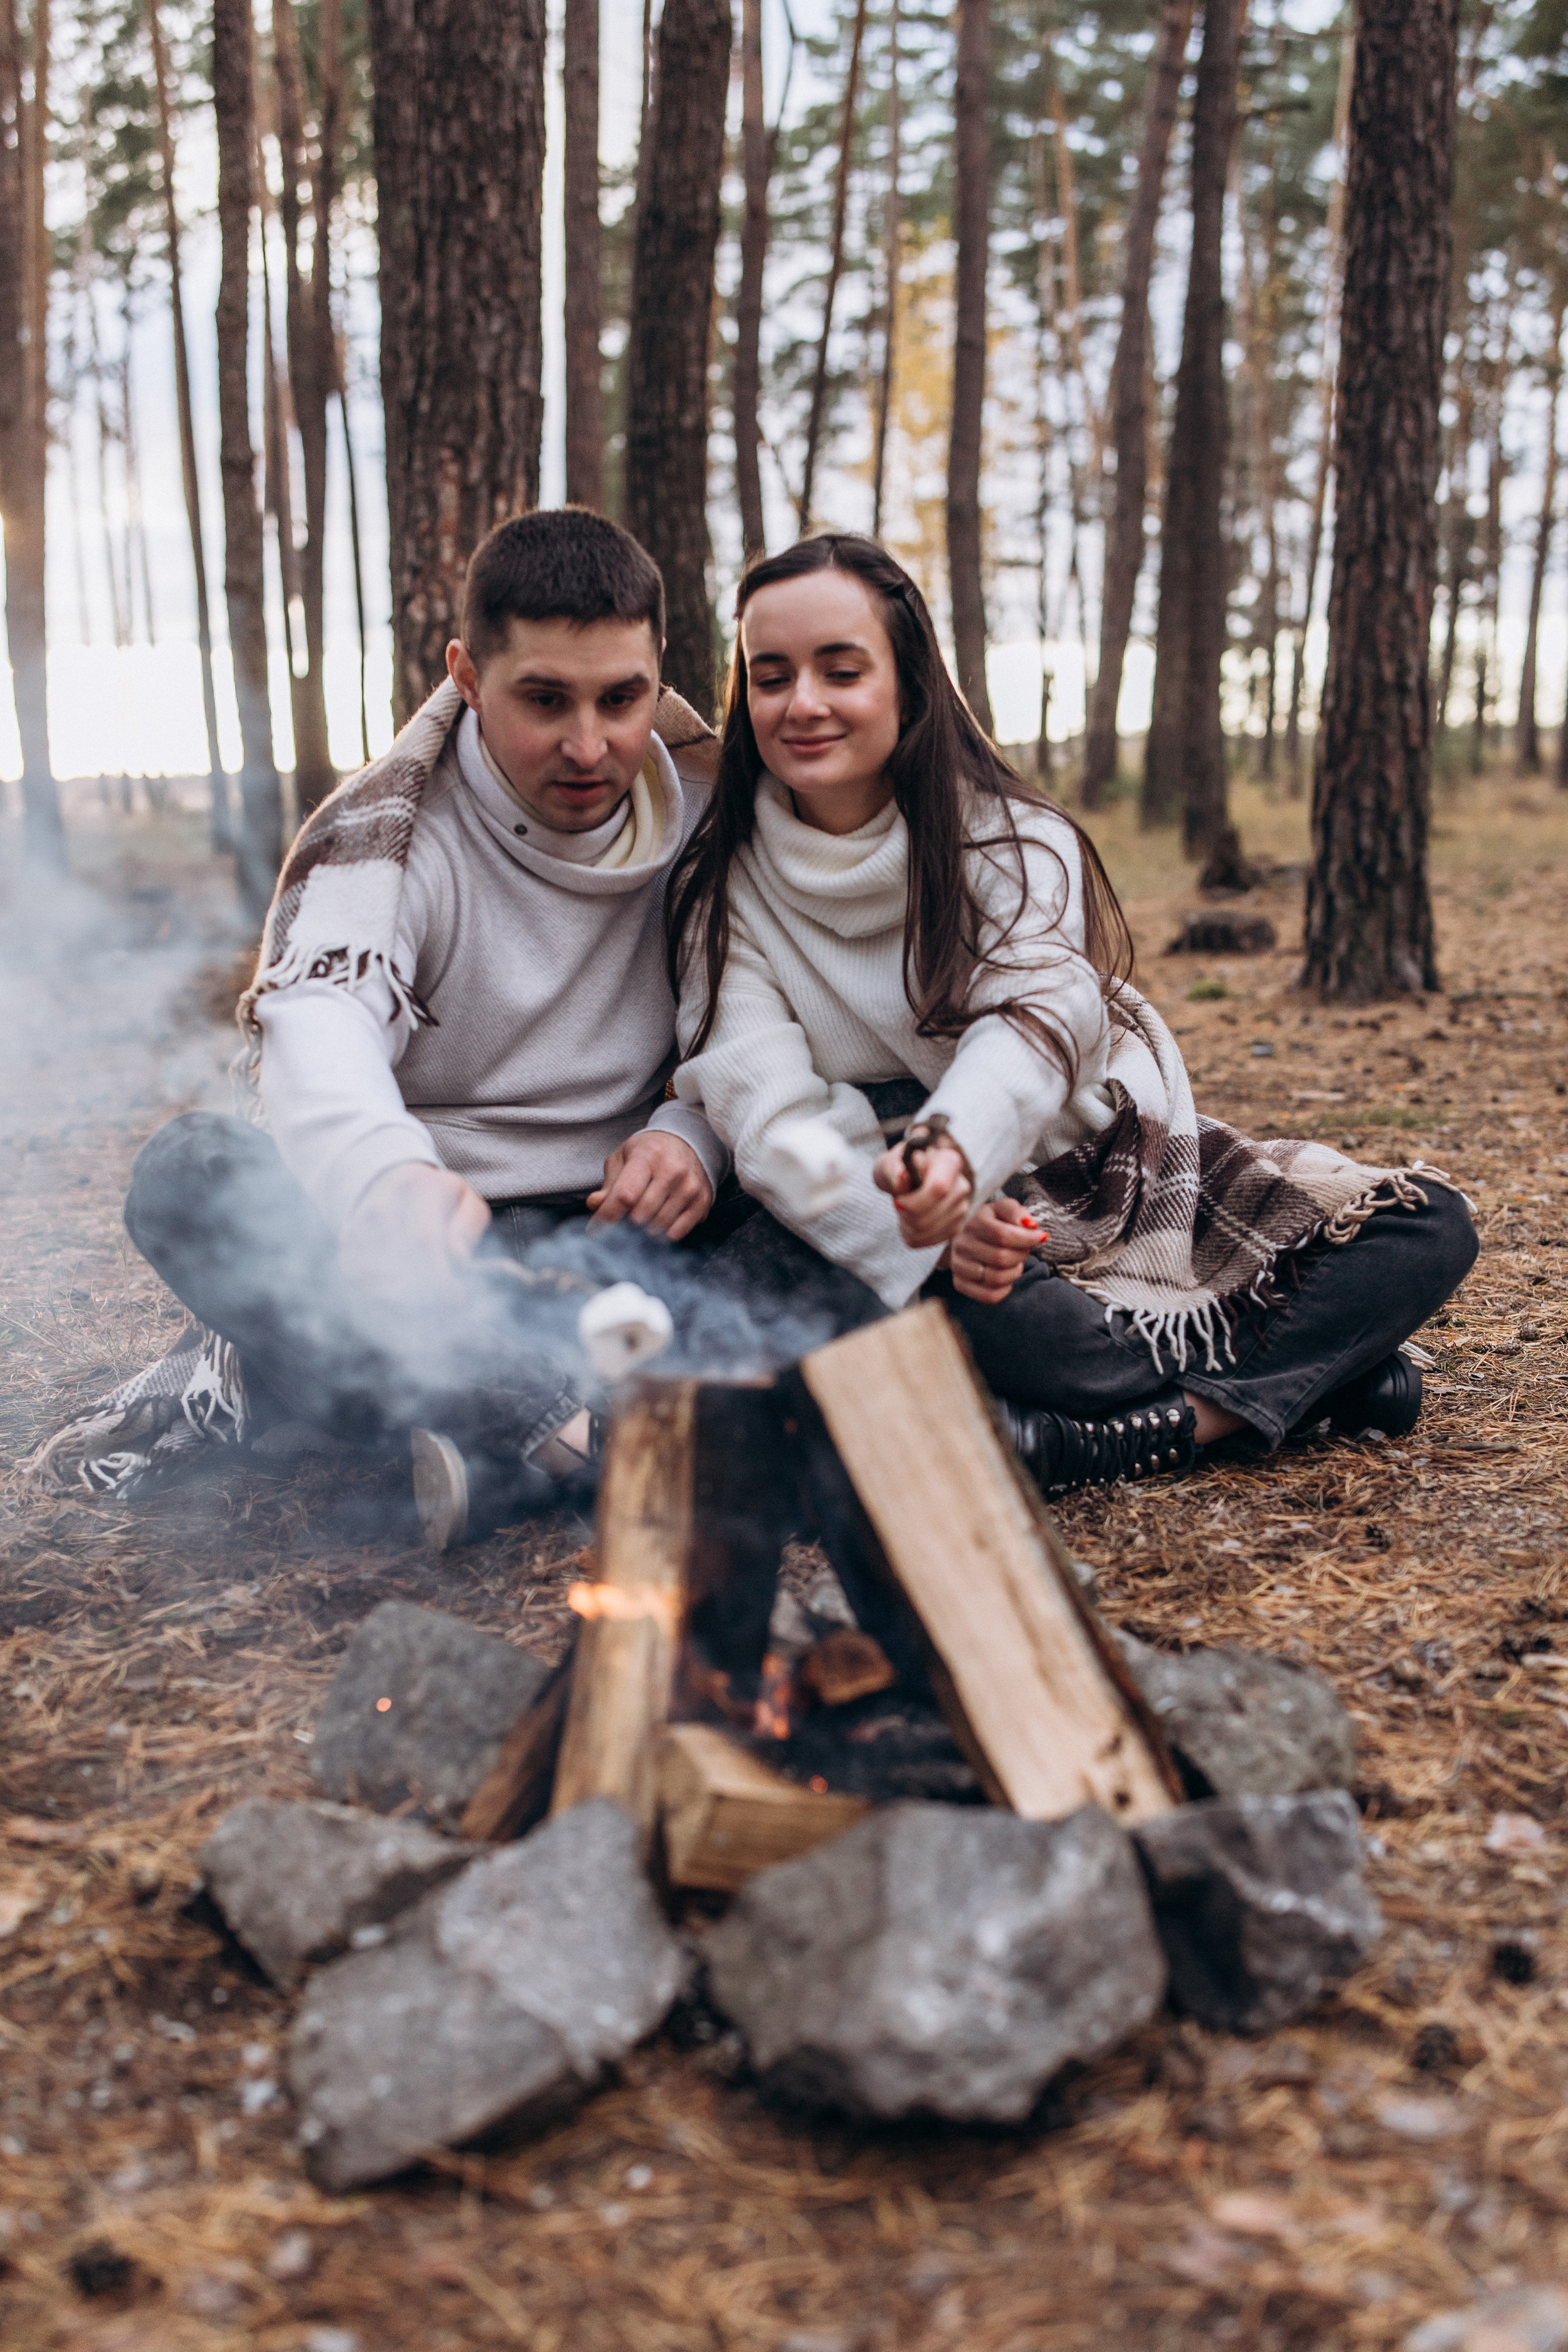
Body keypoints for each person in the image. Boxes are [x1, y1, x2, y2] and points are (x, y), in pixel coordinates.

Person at [665, 534, 1478, 1490]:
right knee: (1048, 1343)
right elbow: (769, 1121)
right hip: (893, 1215)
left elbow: (1039, 1018)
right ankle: (1333, 1383)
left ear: (910, 683)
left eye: (841, 671)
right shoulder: (724, 889)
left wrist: (957, 1153)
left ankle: (1128, 1435)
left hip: (1099, 1170)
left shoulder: (1012, 839)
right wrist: (932, 1221)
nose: (802, 704)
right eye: (772, 677)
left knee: (1429, 1226)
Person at [40, 510, 729, 1544]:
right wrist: (382, 1175)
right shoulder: (384, 837)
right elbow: (316, 1017)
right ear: (465, 675)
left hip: (604, 1244)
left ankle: (473, 1440)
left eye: (620, 699)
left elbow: (762, 1023)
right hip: (418, 1250)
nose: (590, 746)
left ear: (658, 674)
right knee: (192, 1173)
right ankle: (554, 1427)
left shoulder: (712, 825)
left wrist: (697, 1135)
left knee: (819, 1192)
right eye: (544, 700)